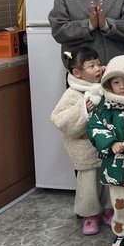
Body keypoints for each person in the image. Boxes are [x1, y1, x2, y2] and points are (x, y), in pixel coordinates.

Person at [86, 55, 124, 246]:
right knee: (120, 204)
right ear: (108, 83)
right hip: (114, 167)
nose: (121, 86)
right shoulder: (104, 106)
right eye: (116, 82)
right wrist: (111, 143)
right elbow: (95, 127)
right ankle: (123, 231)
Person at [50, 47, 110, 235]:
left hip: (105, 145)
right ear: (77, 73)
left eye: (99, 64)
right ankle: (89, 215)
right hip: (85, 147)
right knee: (88, 184)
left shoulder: (102, 86)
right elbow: (59, 118)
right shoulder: (73, 93)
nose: (98, 68)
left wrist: (109, 77)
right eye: (91, 66)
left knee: (108, 180)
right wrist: (83, 109)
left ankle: (108, 209)